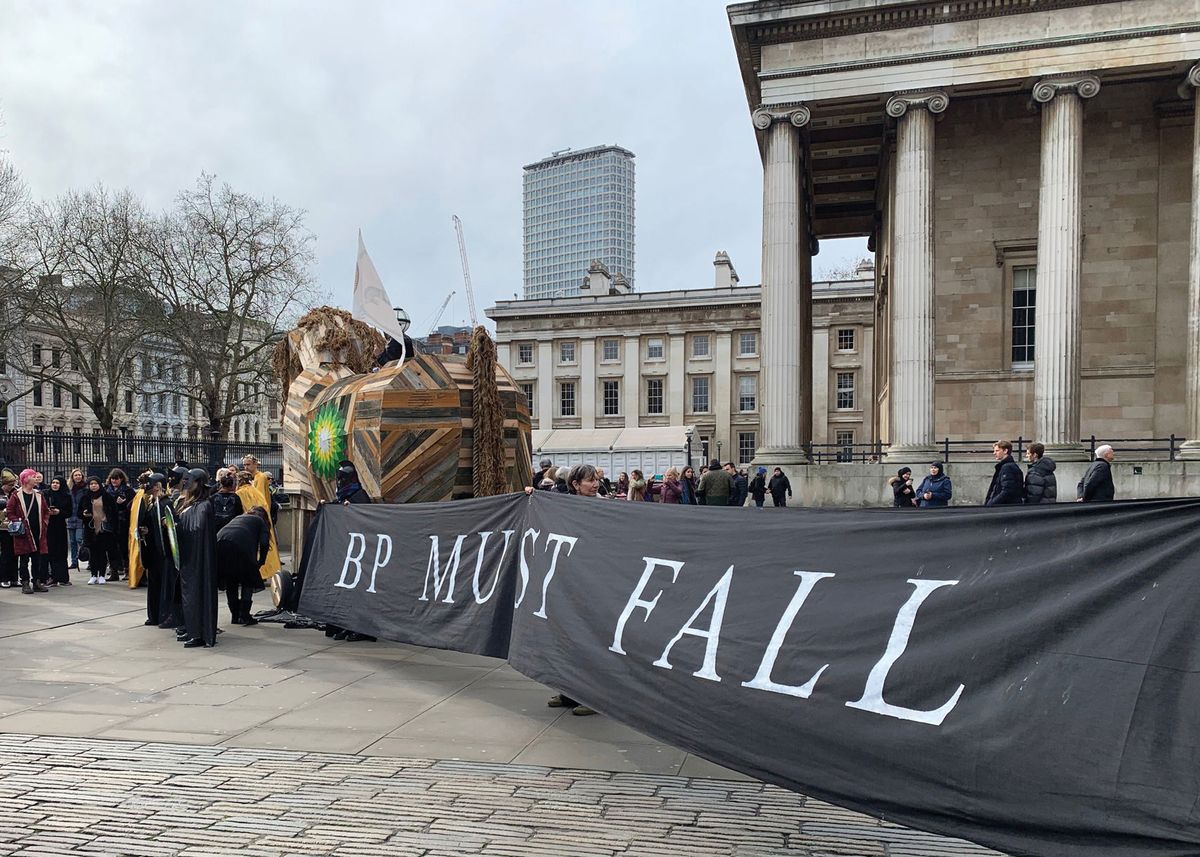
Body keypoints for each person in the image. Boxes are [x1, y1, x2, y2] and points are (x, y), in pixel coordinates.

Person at [547, 462, 601, 716]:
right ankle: (569, 692)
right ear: (575, 484)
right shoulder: (563, 505)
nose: (595, 484)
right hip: (569, 582)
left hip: (593, 583)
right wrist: (529, 495)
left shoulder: (605, 507)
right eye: (590, 480)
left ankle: (593, 697)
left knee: (590, 641)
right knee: (567, 641)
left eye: (596, 480)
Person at [324, 461, 375, 642]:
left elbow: (367, 520)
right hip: (345, 551)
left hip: (360, 553)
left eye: (343, 479)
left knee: (358, 592)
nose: (340, 482)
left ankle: (361, 628)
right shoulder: (342, 496)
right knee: (343, 591)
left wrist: (352, 510)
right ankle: (345, 624)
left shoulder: (359, 496)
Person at [176, 468, 218, 648]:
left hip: (198, 559)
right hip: (188, 558)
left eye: (190, 480)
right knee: (188, 596)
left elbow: (197, 530)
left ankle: (198, 632)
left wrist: (179, 527)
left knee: (196, 594)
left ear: (198, 483)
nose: (186, 483)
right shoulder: (191, 504)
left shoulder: (204, 506)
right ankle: (192, 628)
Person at [216, 506, 270, 626]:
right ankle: (244, 615)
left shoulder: (239, 517)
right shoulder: (260, 521)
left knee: (231, 581)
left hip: (219, 545)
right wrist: (261, 561)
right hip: (240, 547)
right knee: (248, 580)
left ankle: (235, 615)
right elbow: (264, 543)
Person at [6, 469, 50, 594]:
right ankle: (25, 583)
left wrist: (45, 523)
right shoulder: (16, 495)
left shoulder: (39, 494)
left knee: (37, 559)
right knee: (24, 559)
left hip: (38, 531)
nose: (36, 479)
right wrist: (18, 521)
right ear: (26, 479)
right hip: (23, 533)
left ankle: (36, 582)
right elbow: (10, 511)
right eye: (33, 476)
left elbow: (46, 511)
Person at [136, 473, 170, 627]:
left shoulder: (165, 503)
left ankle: (163, 614)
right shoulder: (151, 502)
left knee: (162, 584)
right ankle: (154, 615)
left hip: (162, 551)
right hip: (153, 550)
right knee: (155, 584)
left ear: (157, 486)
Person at [81, 476, 118, 584]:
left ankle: (102, 575)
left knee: (102, 552)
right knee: (93, 553)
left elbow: (113, 512)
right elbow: (79, 513)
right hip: (90, 529)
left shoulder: (107, 496)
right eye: (91, 484)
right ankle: (93, 575)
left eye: (95, 483)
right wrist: (84, 514)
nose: (93, 486)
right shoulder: (85, 497)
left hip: (104, 529)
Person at [43, 475, 72, 585]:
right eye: (53, 482)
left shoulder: (66, 496)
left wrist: (59, 512)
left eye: (57, 483)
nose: (55, 485)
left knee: (61, 551)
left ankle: (63, 577)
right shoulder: (46, 494)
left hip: (60, 526)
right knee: (50, 551)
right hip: (48, 525)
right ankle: (52, 576)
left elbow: (69, 512)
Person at [985, 440, 1024, 506]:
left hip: (1004, 507)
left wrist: (991, 504)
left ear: (1005, 451)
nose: (994, 453)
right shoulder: (1007, 466)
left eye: (997, 451)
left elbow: (1007, 490)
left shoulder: (1007, 467)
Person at [66, 468, 86, 570]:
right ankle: (74, 561)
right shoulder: (69, 488)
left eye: (79, 475)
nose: (78, 477)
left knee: (79, 539)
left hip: (81, 517)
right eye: (75, 475)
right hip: (71, 517)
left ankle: (86, 557)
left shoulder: (85, 488)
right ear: (72, 477)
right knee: (72, 541)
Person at [0, 470, 18, 589]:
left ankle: (14, 578)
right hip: (2, 527)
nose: (12, 487)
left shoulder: (14, 493)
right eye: (10, 485)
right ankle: (4, 578)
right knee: (5, 553)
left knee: (15, 553)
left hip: (14, 526)